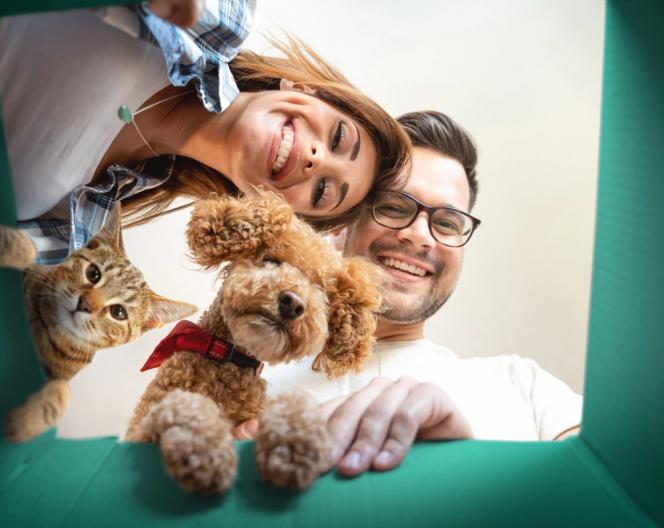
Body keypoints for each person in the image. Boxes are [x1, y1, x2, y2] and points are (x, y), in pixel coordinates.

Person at [249, 110, 582, 477]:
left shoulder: (527, 388)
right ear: (341, 227)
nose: (420, 235)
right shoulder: (243, 381)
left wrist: (465, 460)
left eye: (447, 223)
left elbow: (618, 489)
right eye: (394, 207)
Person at [0, 2, 410, 264]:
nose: (317, 160)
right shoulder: (218, 16)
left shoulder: (78, 224)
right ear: (304, 89)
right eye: (338, 138)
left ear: (275, 212)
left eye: (322, 191)